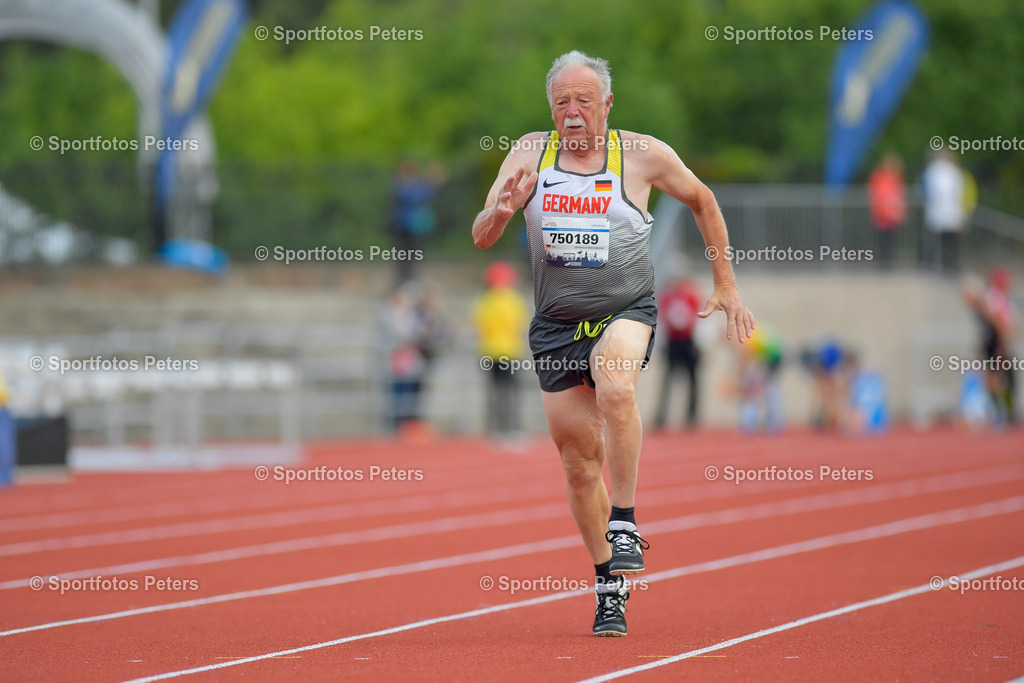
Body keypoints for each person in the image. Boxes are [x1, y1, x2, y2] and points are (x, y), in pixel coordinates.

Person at [471, 51, 754, 636]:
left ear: (607, 104)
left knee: (616, 387)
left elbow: (702, 200)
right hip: (556, 325)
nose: (572, 113)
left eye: (584, 100)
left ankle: (624, 520)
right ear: (551, 108)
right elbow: (482, 235)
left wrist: (725, 283)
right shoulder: (528, 152)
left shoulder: (643, 154)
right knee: (579, 466)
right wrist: (498, 212)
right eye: (562, 103)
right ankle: (609, 586)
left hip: (624, 309)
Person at [472, 262, 530, 435]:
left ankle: (493, 428)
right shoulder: (514, 299)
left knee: (493, 391)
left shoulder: (484, 300)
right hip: (510, 352)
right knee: (512, 392)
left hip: (488, 351)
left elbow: (479, 327)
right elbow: (520, 327)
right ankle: (512, 427)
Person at [963, 267, 1017, 425]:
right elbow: (986, 331)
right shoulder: (977, 308)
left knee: (996, 381)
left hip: (995, 346)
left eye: (966, 295)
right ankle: (999, 414)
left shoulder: (985, 304)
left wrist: (1001, 347)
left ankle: (1004, 414)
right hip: (991, 345)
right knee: (990, 382)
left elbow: (997, 325)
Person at [653, 275, 703, 429]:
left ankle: (692, 416)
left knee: (693, 379)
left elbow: (701, 319)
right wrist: (660, 343)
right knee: (667, 380)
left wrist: (701, 343)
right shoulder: (666, 298)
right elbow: (660, 320)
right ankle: (662, 415)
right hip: (672, 341)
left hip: (689, 341)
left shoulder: (692, 296)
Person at [921, 150, 967, 274]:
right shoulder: (954, 171)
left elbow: (926, 190)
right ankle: (949, 267)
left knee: (940, 242)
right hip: (949, 213)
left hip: (942, 213)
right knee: (949, 243)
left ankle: (940, 267)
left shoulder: (933, 171)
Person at [867, 153, 906, 269]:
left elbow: (899, 195)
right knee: (882, 239)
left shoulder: (896, 177)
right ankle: (882, 262)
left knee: (891, 239)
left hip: (892, 214)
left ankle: (889, 262)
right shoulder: (878, 176)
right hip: (881, 213)